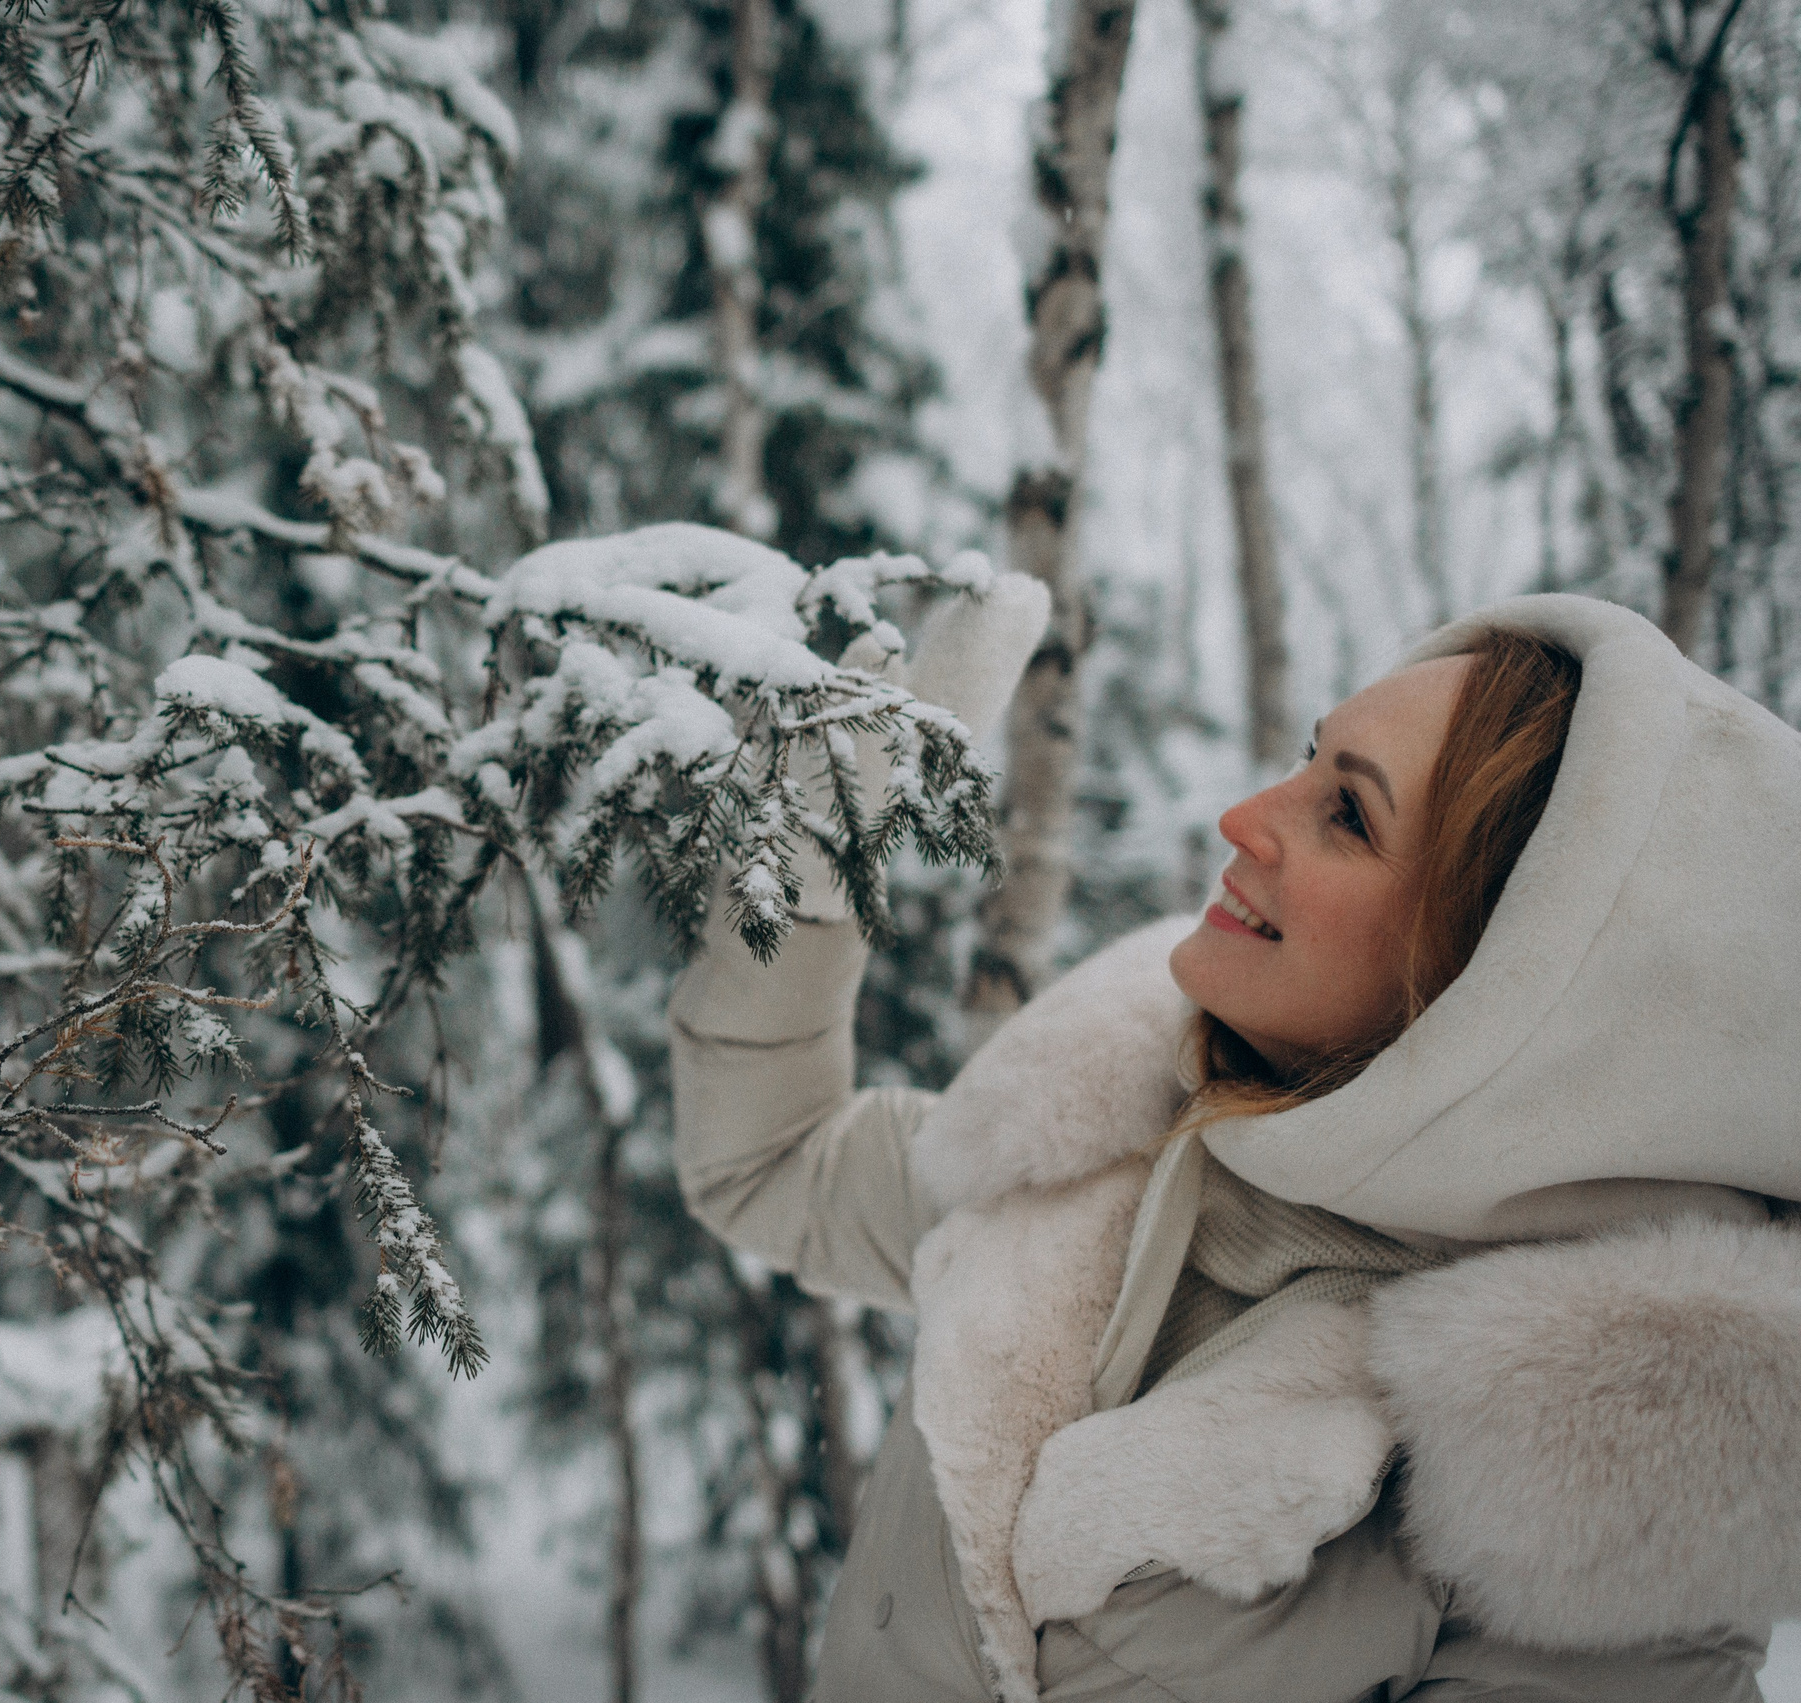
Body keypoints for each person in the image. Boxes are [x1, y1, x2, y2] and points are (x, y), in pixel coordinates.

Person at [671, 583, 1801, 1702]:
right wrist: (817, 852)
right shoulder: (1111, 1133)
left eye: (1347, 813)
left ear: (1512, 986)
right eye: (1309, 756)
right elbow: (769, 1164)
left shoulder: (1602, 1498)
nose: (1245, 816)